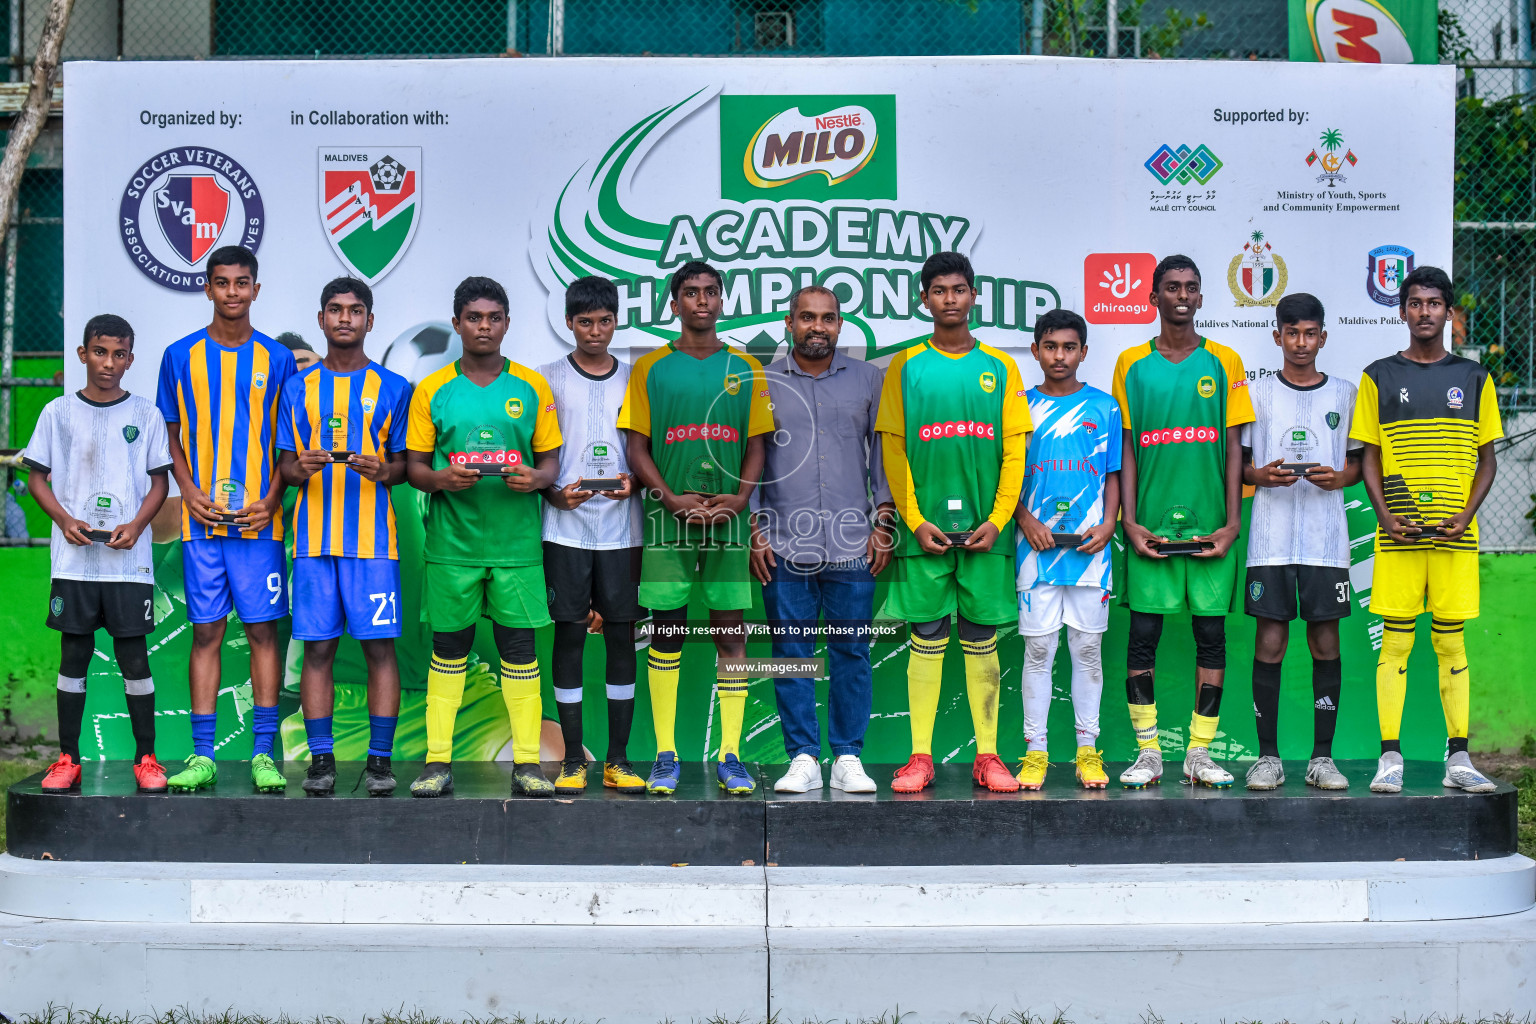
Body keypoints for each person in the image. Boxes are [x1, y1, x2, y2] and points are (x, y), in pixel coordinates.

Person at [875, 251, 1033, 794]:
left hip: (987, 532)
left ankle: (987, 756)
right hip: (925, 534)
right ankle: (920, 757)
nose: (949, 298)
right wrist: (914, 521)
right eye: (938, 290)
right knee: (926, 632)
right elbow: (893, 449)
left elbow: (1016, 449)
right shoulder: (905, 367)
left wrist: (999, 518)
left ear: (973, 295)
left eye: (958, 289)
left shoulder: (1000, 367)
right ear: (924, 299)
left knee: (980, 633)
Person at [405, 276, 562, 799]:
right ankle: (437, 763)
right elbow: (414, 468)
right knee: (450, 649)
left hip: (516, 546)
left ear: (507, 324)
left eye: (494, 318)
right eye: (474, 318)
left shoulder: (531, 387)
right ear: (457, 324)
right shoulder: (433, 390)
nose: (484, 327)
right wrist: (441, 479)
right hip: (453, 546)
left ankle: (526, 764)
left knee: (519, 651)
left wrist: (537, 480)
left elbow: (550, 461)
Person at [618, 260, 772, 796]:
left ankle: (730, 754)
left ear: (722, 300)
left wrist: (740, 499)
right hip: (668, 520)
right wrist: (669, 498)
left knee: (731, 631)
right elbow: (636, 449)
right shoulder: (650, 368)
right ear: (674, 303)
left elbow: (757, 444)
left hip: (730, 520)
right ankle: (666, 752)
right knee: (668, 630)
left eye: (710, 292)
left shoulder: (745, 366)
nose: (701, 301)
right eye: (690, 293)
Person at [1350, 266, 1502, 794]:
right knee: (1394, 645)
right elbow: (1369, 457)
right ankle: (1389, 758)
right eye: (1415, 303)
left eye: (1434, 303)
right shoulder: (1378, 376)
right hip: (1399, 535)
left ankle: (1458, 757)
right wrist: (1385, 517)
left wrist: (1465, 515)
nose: (1424, 312)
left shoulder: (1475, 377)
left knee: (1451, 645)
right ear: (1402, 311)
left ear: (1449, 312)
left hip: (1455, 537)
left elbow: (1487, 461)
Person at [155, 246, 296, 793]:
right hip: (201, 525)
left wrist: (273, 500)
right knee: (207, 631)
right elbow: (170, 437)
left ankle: (263, 754)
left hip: (261, 526)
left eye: (242, 283)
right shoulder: (178, 356)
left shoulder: (277, 360)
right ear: (207, 288)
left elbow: (290, 445)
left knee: (262, 631)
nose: (232, 292)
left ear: (256, 290)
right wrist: (188, 492)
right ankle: (202, 755)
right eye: (222, 282)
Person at [1113, 254, 1254, 789]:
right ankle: (1148, 752)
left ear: (1201, 298)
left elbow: (1236, 448)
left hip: (1210, 532)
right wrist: (1129, 521)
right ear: (1153, 296)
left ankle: (1198, 752)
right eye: (1171, 287)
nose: (1181, 295)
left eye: (1191, 288)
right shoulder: (1130, 363)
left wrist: (1232, 523)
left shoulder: (1225, 361)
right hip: (1150, 529)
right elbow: (1126, 445)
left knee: (1211, 638)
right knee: (1142, 638)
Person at [749, 284, 894, 794]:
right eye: (807, 317)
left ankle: (848, 757)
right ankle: (803, 757)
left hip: (853, 541)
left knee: (851, 651)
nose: (818, 326)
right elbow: (752, 459)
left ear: (840, 324)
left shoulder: (869, 380)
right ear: (789, 323)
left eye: (827, 318)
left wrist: (885, 520)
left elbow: (883, 457)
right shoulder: (761, 382)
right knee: (790, 651)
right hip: (784, 540)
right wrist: (754, 525)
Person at [275, 277, 411, 797]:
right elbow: (284, 468)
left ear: (370, 321)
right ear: (322, 319)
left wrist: (383, 471)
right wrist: (300, 467)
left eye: (355, 310)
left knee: (379, 649)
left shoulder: (394, 387)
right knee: (318, 651)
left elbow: (404, 467)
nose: (345, 319)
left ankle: (380, 763)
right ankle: (321, 761)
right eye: (335, 310)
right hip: (311, 544)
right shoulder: (296, 388)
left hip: (374, 544)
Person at [27, 315, 171, 791]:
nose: (109, 363)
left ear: (130, 359)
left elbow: (159, 482)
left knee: (134, 660)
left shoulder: (146, 414)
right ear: (82, 354)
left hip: (128, 563)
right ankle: (67, 758)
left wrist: (137, 524)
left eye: (119, 354)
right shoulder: (57, 412)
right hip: (75, 562)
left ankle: (146, 758)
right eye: (100, 352)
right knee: (75, 657)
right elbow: (37, 478)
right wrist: (65, 520)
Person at [1241, 292, 1360, 791]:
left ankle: (1322, 758)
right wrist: (1259, 476)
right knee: (1270, 641)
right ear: (1277, 337)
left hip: (1324, 541)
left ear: (1323, 337)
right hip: (1270, 540)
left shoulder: (1346, 394)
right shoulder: (1257, 395)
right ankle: (1268, 758)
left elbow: (1357, 464)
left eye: (1310, 334)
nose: (1301, 343)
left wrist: (1341, 478)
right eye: (1292, 333)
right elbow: (1240, 466)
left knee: (1324, 641)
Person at [538, 276, 647, 794]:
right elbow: (541, 456)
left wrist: (637, 482)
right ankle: (573, 760)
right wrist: (558, 494)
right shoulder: (546, 379)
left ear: (616, 321)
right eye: (585, 322)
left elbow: (647, 451)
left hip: (624, 532)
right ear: (569, 323)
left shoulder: (636, 380)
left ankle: (619, 759)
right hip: (565, 528)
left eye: (605, 321)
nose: (596, 331)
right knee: (570, 636)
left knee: (622, 637)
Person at [1012, 308, 1120, 791]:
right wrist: (1024, 518)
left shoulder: (1105, 407)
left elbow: (1114, 474)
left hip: (1090, 550)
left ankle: (1086, 750)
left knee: (1088, 650)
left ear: (1083, 352)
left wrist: (1111, 523)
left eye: (1069, 347)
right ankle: (1035, 752)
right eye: (1050, 346)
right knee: (1038, 649)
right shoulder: (1019, 407)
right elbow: (1006, 474)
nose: (1060, 356)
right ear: (1035, 350)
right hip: (1035, 550)